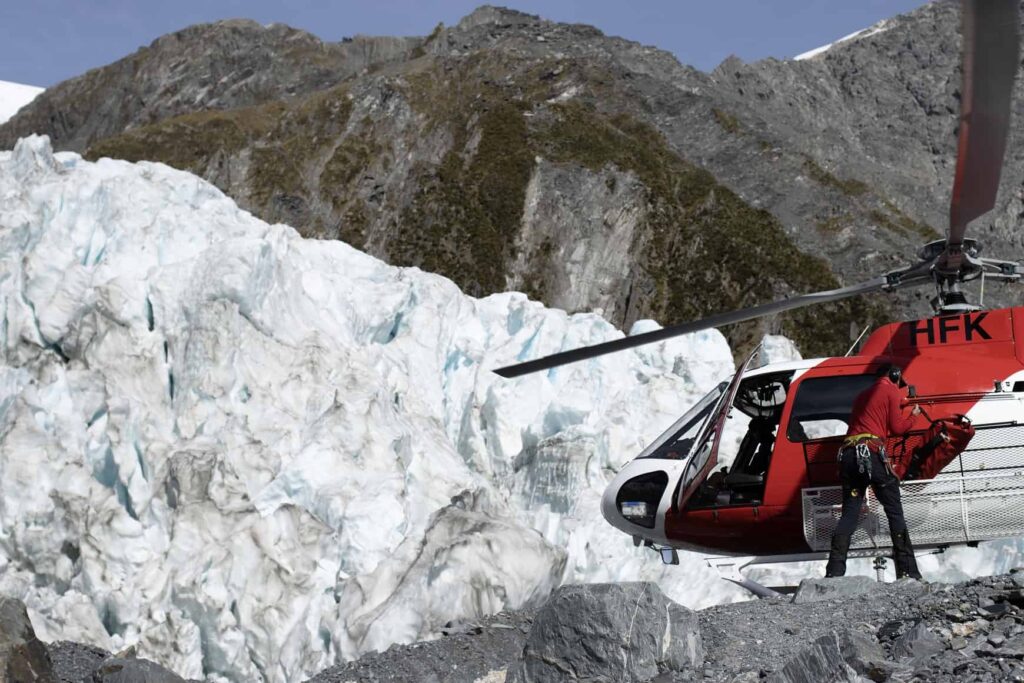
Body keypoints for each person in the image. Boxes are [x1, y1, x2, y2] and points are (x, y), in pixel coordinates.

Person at [824, 363, 923, 580]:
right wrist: (913, 415)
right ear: (895, 374)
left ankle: (834, 571)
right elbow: (898, 428)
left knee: (849, 513)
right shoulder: (890, 390)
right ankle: (908, 571)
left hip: (848, 456)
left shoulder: (862, 396)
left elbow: (870, 417)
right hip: (870, 454)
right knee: (894, 510)